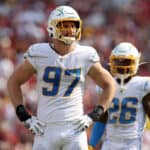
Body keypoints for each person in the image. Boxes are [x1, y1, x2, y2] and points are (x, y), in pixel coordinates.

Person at [7, 5, 116, 150]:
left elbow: (109, 84)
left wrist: (94, 115)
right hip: (45, 129)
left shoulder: (85, 54)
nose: (70, 30)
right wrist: (23, 115)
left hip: (75, 130)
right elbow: (14, 81)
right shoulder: (39, 52)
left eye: (73, 25)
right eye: (65, 25)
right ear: (53, 27)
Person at [88, 42, 150, 150]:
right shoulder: (107, 85)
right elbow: (102, 118)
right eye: (118, 61)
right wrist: (92, 144)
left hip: (132, 142)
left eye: (126, 62)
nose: (122, 66)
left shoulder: (143, 85)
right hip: (110, 141)